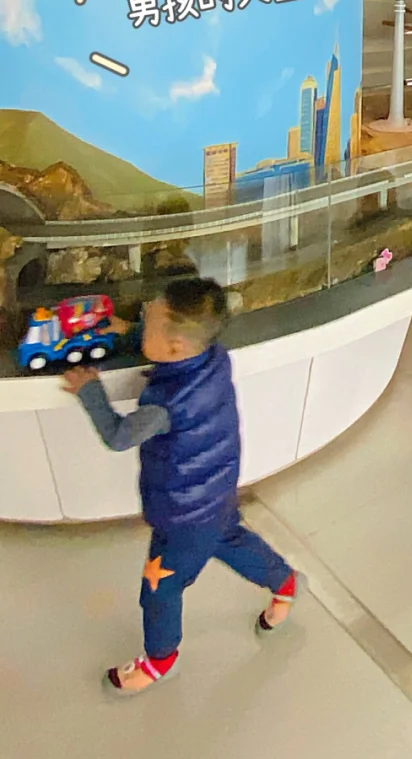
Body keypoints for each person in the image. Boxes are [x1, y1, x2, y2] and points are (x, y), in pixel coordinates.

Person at [63, 278, 299, 695]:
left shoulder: (165, 404)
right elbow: (167, 344)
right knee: (228, 539)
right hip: (217, 489)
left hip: (183, 515)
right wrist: (131, 333)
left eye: (148, 325)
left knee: (161, 586)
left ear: (174, 347)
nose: (142, 327)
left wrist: (90, 392)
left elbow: (118, 436)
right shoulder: (214, 357)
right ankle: (285, 583)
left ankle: (160, 659)